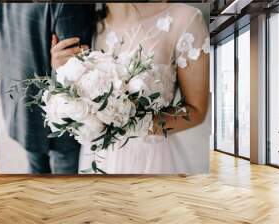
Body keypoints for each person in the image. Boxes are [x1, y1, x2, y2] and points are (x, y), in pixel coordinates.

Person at [51, 3, 210, 174]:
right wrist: (63, 69)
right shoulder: (87, 23)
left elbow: (196, 110)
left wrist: (132, 124)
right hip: (96, 158)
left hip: (150, 161)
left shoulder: (184, 20)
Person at [0, 3, 95, 174]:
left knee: (36, 172)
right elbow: (76, 70)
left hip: (21, 111)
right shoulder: (69, 6)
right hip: (60, 121)